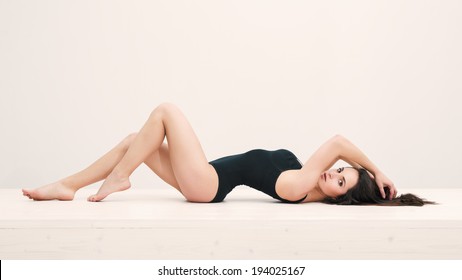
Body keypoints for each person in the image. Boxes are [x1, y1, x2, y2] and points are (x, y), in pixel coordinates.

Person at [22, 103, 433, 206]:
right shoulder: (308, 173)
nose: (333, 174)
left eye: (340, 181)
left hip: (207, 184)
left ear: (341, 197)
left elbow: (340, 140)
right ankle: (67, 185)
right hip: (204, 177)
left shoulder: (301, 186)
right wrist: (371, 174)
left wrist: (376, 170)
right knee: (136, 139)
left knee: (165, 111)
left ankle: (120, 179)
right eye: (340, 171)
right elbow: (336, 153)